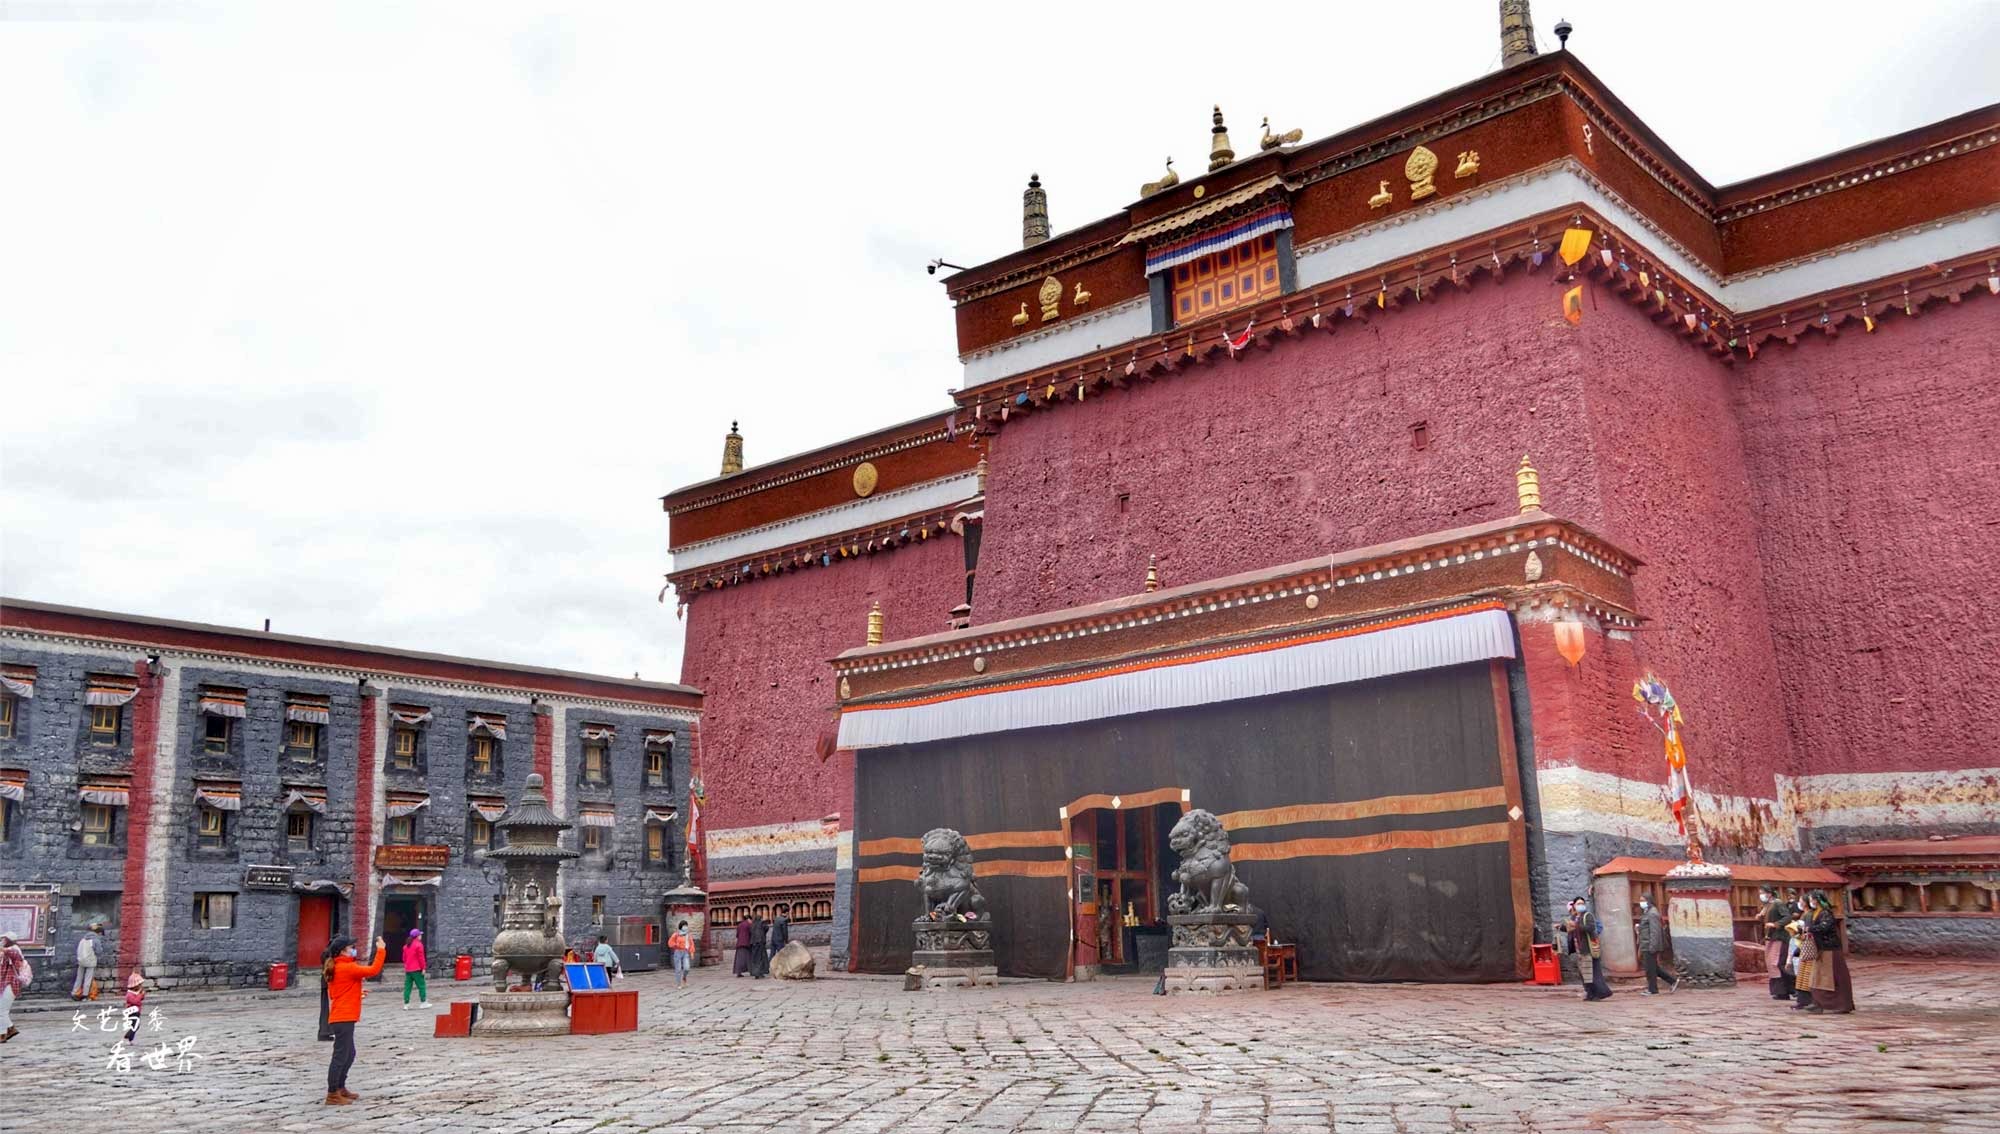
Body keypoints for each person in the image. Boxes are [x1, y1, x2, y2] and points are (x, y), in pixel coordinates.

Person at [321, 933, 386, 1106]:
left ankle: (340, 1087)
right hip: (344, 1017)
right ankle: (332, 1093)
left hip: (342, 1016)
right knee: (341, 1055)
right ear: (343, 951)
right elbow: (373, 971)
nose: (353, 950)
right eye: (351, 948)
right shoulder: (347, 967)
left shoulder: (338, 967)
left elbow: (338, 992)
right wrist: (381, 950)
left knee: (349, 1053)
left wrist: (358, 993)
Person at [1805, 890, 1856, 1014]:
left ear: (1817, 900)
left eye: (1812, 899)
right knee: (1817, 976)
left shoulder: (1826, 913)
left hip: (1830, 948)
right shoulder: (1814, 913)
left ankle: (1841, 1004)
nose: (1810, 901)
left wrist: (1810, 928)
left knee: (1833, 976)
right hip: (1820, 948)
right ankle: (1818, 1003)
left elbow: (1825, 927)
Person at [1563, 897, 1611, 1001]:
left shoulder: (1587, 916)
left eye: (1582, 903)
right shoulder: (1575, 917)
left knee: (1593, 973)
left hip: (1588, 949)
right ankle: (1590, 993)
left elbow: (1590, 927)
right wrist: (1561, 927)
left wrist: (1576, 925)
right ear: (1574, 905)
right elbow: (1571, 929)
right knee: (1585, 974)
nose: (1580, 905)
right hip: (1580, 949)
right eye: (1578, 903)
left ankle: (1600, 993)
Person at [1637, 895, 1678, 995]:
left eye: (1643, 900)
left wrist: (1653, 946)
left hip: (1650, 944)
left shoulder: (1652, 913)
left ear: (1649, 901)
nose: (1640, 902)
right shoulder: (1647, 913)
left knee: (1650, 969)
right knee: (1653, 967)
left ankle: (1652, 989)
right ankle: (1672, 981)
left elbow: (1655, 931)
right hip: (1646, 943)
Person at [1758, 888, 1794, 1001]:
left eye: (1763, 893)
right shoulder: (1767, 905)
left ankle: (1786, 990)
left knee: (1777, 963)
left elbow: (1787, 917)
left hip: (1779, 937)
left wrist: (1775, 924)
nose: (1761, 895)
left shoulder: (1778, 903)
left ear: (1769, 893)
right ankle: (1778, 991)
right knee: (1771, 964)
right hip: (1770, 937)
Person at [0, 933, 28, 1042]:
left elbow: (12, 953)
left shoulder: (15, 950)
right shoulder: (5, 953)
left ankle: (3, 1034)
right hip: (5, 984)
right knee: (1, 1010)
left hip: (11, 984)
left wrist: (2, 947)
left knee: (2, 1010)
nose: (2, 940)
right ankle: (10, 1029)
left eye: (3, 939)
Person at [73, 921, 105, 1001]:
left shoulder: (83, 939)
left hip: (81, 960)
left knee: (79, 977)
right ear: (98, 932)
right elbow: (99, 952)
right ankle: (85, 995)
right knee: (88, 978)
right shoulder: (95, 940)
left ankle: (75, 993)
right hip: (90, 961)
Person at [400, 928, 431, 1010]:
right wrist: (423, 968)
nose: (421, 936)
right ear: (417, 936)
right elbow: (421, 958)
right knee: (421, 986)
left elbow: (404, 959)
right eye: (420, 935)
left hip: (408, 970)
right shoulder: (419, 945)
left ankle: (406, 1004)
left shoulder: (406, 946)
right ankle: (423, 1002)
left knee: (407, 987)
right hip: (417, 969)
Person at [120, 971, 146, 1044]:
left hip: (137, 1012)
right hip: (132, 1012)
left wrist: (142, 995)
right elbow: (135, 1001)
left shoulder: (135, 993)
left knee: (136, 1026)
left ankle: (130, 1039)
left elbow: (140, 999)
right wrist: (140, 995)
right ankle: (128, 1037)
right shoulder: (129, 994)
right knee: (135, 1026)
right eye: (139, 985)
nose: (141, 986)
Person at [667, 920, 694, 987]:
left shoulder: (688, 935)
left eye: (686, 926)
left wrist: (692, 952)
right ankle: (679, 984)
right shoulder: (676, 934)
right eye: (684, 926)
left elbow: (691, 944)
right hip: (678, 952)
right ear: (681, 926)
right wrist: (676, 945)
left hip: (685, 952)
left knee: (687, 968)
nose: (685, 927)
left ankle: (684, 977)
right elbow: (670, 943)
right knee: (678, 969)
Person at [749, 914, 770, 979]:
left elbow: (750, 932)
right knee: (761, 958)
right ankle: (760, 973)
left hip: (754, 943)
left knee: (755, 959)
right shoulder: (762, 923)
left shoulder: (752, 925)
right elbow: (767, 928)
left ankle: (756, 973)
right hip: (760, 943)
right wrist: (764, 922)